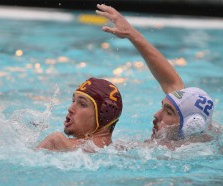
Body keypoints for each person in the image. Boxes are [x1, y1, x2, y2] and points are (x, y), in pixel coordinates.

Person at [96, 4, 214, 150]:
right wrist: (131, 33)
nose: (156, 115)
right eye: (162, 107)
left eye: (168, 112)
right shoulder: (193, 124)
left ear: (190, 126)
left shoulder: (168, 152)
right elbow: (171, 82)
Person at [36, 77, 123, 152]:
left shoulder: (56, 142)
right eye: (73, 101)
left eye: (82, 104)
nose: (70, 108)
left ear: (103, 116)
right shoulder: (121, 148)